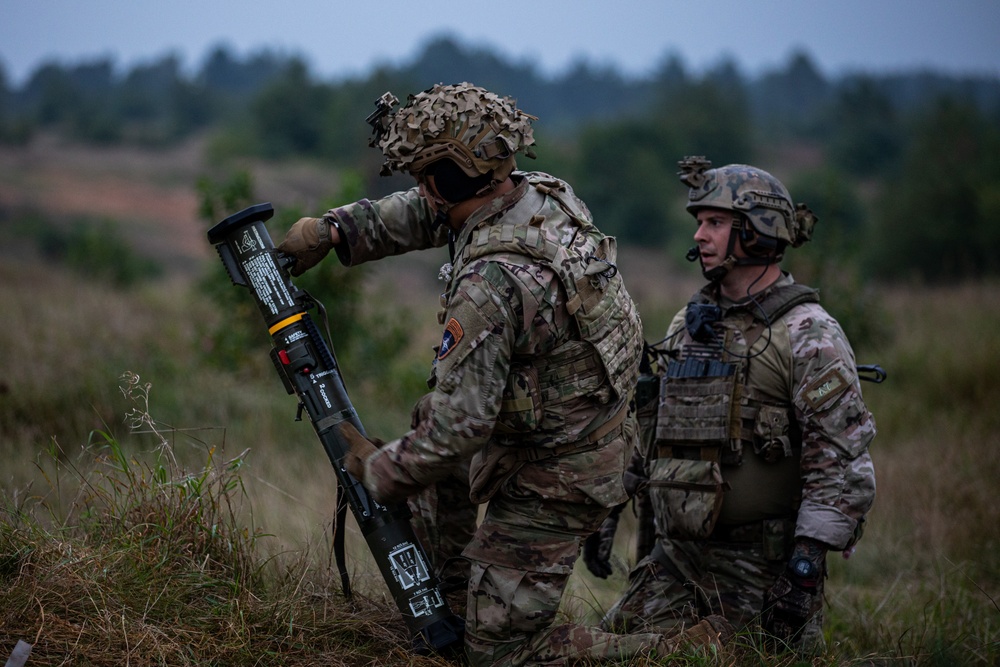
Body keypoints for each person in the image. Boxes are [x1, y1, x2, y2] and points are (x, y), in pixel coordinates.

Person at [276, 84, 727, 666]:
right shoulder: (541, 195)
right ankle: (461, 598)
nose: (418, 187)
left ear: (450, 177)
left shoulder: (492, 283)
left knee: (499, 654)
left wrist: (376, 471)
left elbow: (458, 431)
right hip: (577, 429)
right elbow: (430, 213)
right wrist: (339, 230)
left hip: (566, 469)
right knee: (429, 426)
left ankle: (676, 653)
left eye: (423, 173)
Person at [590, 156, 877, 653]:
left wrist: (804, 568)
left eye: (716, 223)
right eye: (699, 223)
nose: (700, 235)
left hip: (761, 567)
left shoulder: (808, 333)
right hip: (677, 558)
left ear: (759, 232)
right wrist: (610, 507)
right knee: (613, 650)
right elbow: (659, 430)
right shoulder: (691, 323)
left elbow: (843, 466)